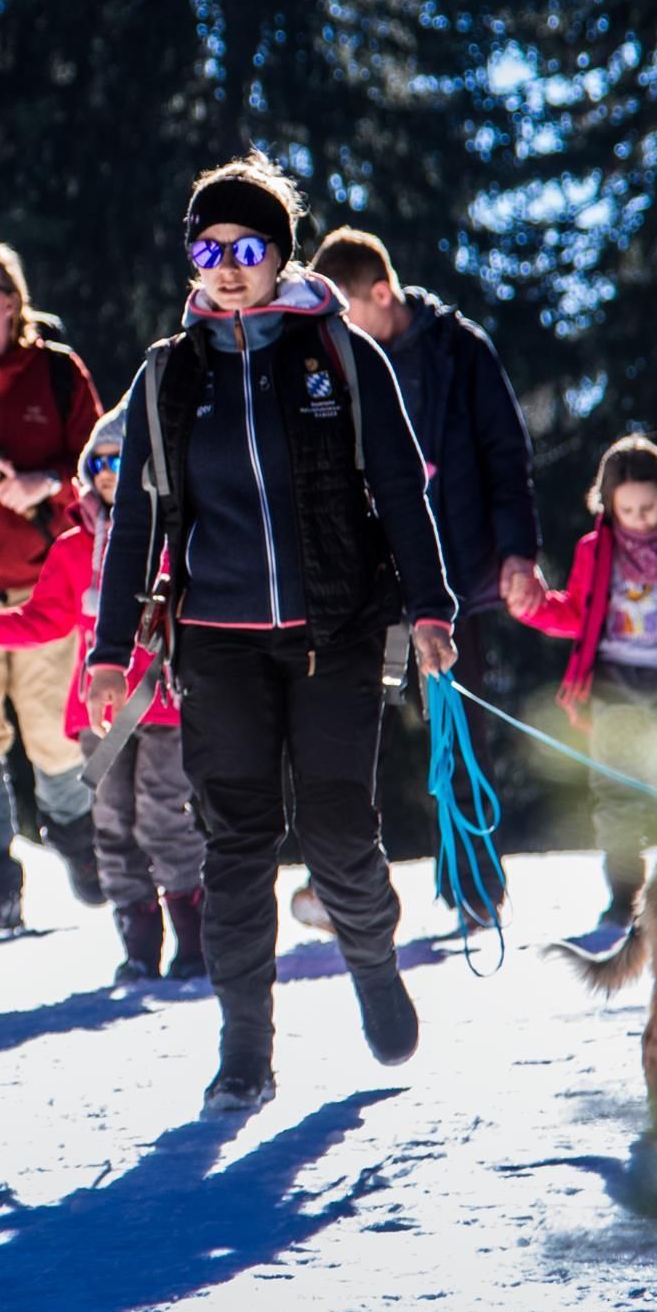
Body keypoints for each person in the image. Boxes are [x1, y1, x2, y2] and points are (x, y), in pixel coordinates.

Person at [88, 153, 458, 1118]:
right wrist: (109, 649)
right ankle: (243, 1049)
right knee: (237, 846)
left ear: (280, 253)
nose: (226, 264)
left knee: (340, 834)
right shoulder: (170, 373)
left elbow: (399, 489)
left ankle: (372, 963)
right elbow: (133, 519)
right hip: (216, 642)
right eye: (207, 248)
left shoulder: (339, 353)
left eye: (246, 246)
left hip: (336, 632)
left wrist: (432, 607)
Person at [319, 227, 544, 871]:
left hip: (454, 575)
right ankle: (346, 889)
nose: (336, 322)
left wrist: (518, 552)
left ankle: (474, 881)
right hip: (369, 579)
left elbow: (507, 454)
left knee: (458, 731)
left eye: (346, 307)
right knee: (360, 734)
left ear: (381, 292)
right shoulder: (337, 359)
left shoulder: (458, 349)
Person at [505, 433, 657, 961]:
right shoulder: (596, 551)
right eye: (627, 510)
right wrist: (533, 608)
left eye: (648, 507)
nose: (639, 519)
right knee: (616, 798)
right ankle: (624, 898)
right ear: (608, 506)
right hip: (614, 686)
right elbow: (575, 613)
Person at [0, 408, 203, 989]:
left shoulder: (176, 541)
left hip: (165, 706)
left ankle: (195, 941)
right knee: (110, 824)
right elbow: (43, 619)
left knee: (163, 818)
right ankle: (139, 948)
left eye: (123, 460)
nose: (111, 472)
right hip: (98, 717)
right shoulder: (75, 548)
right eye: (99, 462)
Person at [0, 239, 105, 933]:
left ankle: (84, 849)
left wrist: (52, 486)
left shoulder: (59, 373)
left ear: (12, 300)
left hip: (47, 591)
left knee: (58, 739)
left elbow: (106, 476)